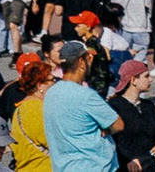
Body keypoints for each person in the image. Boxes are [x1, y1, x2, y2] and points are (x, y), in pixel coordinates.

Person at [44, 40, 126, 172]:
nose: (90, 62)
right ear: (81, 62)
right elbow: (118, 124)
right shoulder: (86, 96)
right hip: (93, 166)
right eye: (88, 58)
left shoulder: (51, 93)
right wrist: (106, 129)